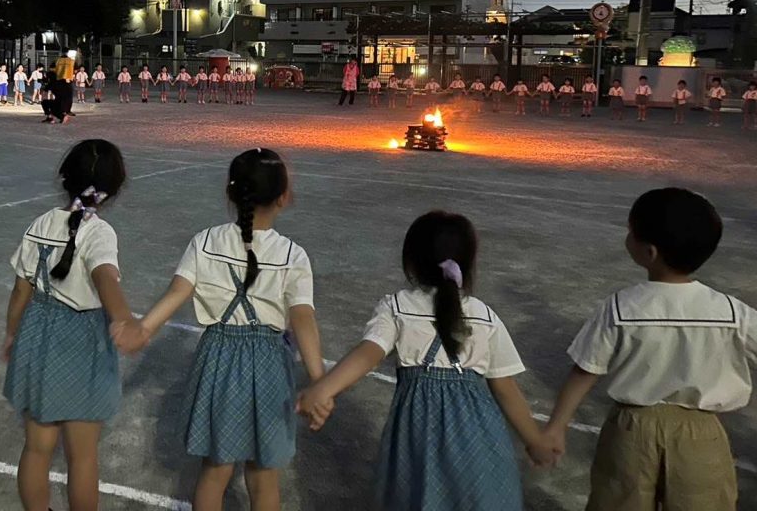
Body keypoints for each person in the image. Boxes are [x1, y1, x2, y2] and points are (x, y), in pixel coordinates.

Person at [297, 211, 553, 510]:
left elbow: (368, 352)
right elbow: (505, 387)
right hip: (480, 442)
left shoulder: (398, 307)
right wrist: (535, 440)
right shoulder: (485, 316)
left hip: (420, 440)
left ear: (411, 262)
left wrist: (323, 389)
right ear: (469, 264)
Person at [115, 148, 325, 510]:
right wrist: (321, 381)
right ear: (283, 196)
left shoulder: (206, 241)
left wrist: (143, 327)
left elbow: (179, 290)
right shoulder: (293, 255)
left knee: (214, 471)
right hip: (269, 366)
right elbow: (303, 317)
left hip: (218, 360)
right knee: (263, 477)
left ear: (230, 192)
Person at [540, 188, 754, 511]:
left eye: (630, 231)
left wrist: (556, 428)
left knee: (618, 501)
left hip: (631, 429)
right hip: (702, 434)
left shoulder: (620, 306)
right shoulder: (732, 311)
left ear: (648, 252)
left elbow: (585, 370)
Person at [2, 139, 133, 511]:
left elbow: (19, 290)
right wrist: (124, 318)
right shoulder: (99, 232)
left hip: (37, 332)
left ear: (65, 179)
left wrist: (13, 333)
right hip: (82, 341)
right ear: (114, 190)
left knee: (37, 448)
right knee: (83, 456)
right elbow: (105, 276)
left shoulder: (41, 222)